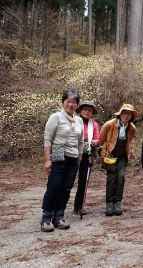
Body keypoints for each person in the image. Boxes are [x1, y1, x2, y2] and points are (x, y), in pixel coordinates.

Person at [41, 88, 83, 232]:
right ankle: (46, 217)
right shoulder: (56, 117)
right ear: (63, 102)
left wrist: (80, 157)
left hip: (73, 158)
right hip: (58, 156)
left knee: (66, 188)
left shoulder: (79, 120)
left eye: (74, 102)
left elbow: (81, 142)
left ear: (77, 104)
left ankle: (59, 216)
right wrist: (47, 160)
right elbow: (48, 140)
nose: (71, 105)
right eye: (68, 101)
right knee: (54, 186)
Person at [100, 104, 137, 216]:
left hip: (122, 157)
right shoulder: (109, 125)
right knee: (111, 178)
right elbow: (101, 140)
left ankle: (118, 202)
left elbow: (131, 142)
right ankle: (109, 203)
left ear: (131, 116)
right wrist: (102, 153)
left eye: (129, 114)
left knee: (120, 178)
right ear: (120, 114)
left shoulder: (131, 128)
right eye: (124, 113)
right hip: (110, 155)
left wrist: (131, 152)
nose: (126, 116)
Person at [73, 101, 101, 216]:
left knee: (83, 182)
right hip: (73, 154)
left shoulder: (94, 124)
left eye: (89, 110)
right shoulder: (74, 121)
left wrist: (95, 142)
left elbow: (98, 138)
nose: (87, 112)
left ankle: (79, 206)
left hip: (87, 155)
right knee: (68, 180)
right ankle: (59, 206)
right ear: (80, 110)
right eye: (85, 109)